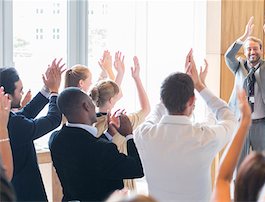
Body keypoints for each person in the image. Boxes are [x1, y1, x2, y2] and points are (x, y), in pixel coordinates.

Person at [134, 51, 236, 201]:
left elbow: (153, 116)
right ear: (191, 101)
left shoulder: (143, 134)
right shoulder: (206, 138)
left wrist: (170, 96)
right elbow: (228, 116)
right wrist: (199, 85)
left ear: (162, 99)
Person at [49, 87, 144, 201]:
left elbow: (85, 150)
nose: (95, 107)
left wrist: (109, 133)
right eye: (92, 103)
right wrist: (129, 135)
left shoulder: (55, 139)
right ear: (86, 106)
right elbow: (137, 169)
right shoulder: (102, 149)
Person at [0, 59, 65, 201]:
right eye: (20, 90)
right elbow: (53, 120)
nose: (23, 93)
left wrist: (46, 89)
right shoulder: (13, 124)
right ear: (7, 96)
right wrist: (54, 92)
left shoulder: (7, 119)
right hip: (26, 193)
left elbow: (24, 113)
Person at [224, 13, 265, 167]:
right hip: (240, 123)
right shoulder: (238, 66)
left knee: (262, 166)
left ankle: (260, 191)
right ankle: (239, 191)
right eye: (248, 49)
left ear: (261, 51)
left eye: (255, 49)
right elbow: (228, 56)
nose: (252, 52)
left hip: (261, 125)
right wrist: (244, 36)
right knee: (239, 165)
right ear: (245, 51)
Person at [90, 56, 150, 189]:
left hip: (98, 183)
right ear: (111, 100)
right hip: (122, 183)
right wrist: (137, 78)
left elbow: (109, 92)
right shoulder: (121, 122)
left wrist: (115, 72)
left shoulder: (89, 123)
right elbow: (146, 108)